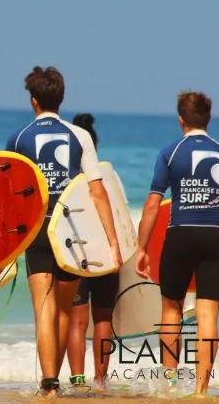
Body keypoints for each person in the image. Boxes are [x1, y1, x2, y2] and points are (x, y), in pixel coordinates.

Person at [5, 67, 121, 396]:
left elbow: (11, 193)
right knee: (64, 309)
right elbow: (97, 191)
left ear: (33, 101)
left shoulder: (18, 138)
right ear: (62, 98)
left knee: (43, 307)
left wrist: (6, 243)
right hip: (71, 230)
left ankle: (49, 384)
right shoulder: (79, 136)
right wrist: (113, 242)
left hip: (37, 229)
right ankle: (53, 379)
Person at [135, 91, 219, 394]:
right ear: (208, 119)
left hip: (181, 234)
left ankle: (169, 384)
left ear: (181, 119)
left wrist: (141, 248)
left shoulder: (170, 152)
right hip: (216, 236)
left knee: (172, 309)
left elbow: (153, 204)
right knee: (208, 314)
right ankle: (200, 392)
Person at [65, 113, 120, 389]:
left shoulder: (68, 182)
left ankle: (76, 381)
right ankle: (100, 381)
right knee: (103, 318)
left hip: (74, 255)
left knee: (76, 320)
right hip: (105, 255)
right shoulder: (106, 178)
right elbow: (121, 220)